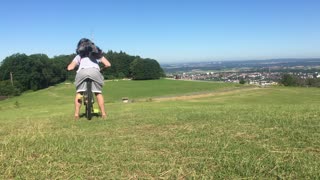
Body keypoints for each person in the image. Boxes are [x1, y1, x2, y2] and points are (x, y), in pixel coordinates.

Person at [67, 38, 111, 120]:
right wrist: (100, 70)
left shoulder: (79, 56)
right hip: (95, 72)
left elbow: (69, 68)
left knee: (79, 92)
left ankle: (76, 115)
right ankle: (103, 114)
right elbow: (108, 64)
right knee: (98, 93)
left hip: (82, 73)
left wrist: (77, 70)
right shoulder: (97, 54)